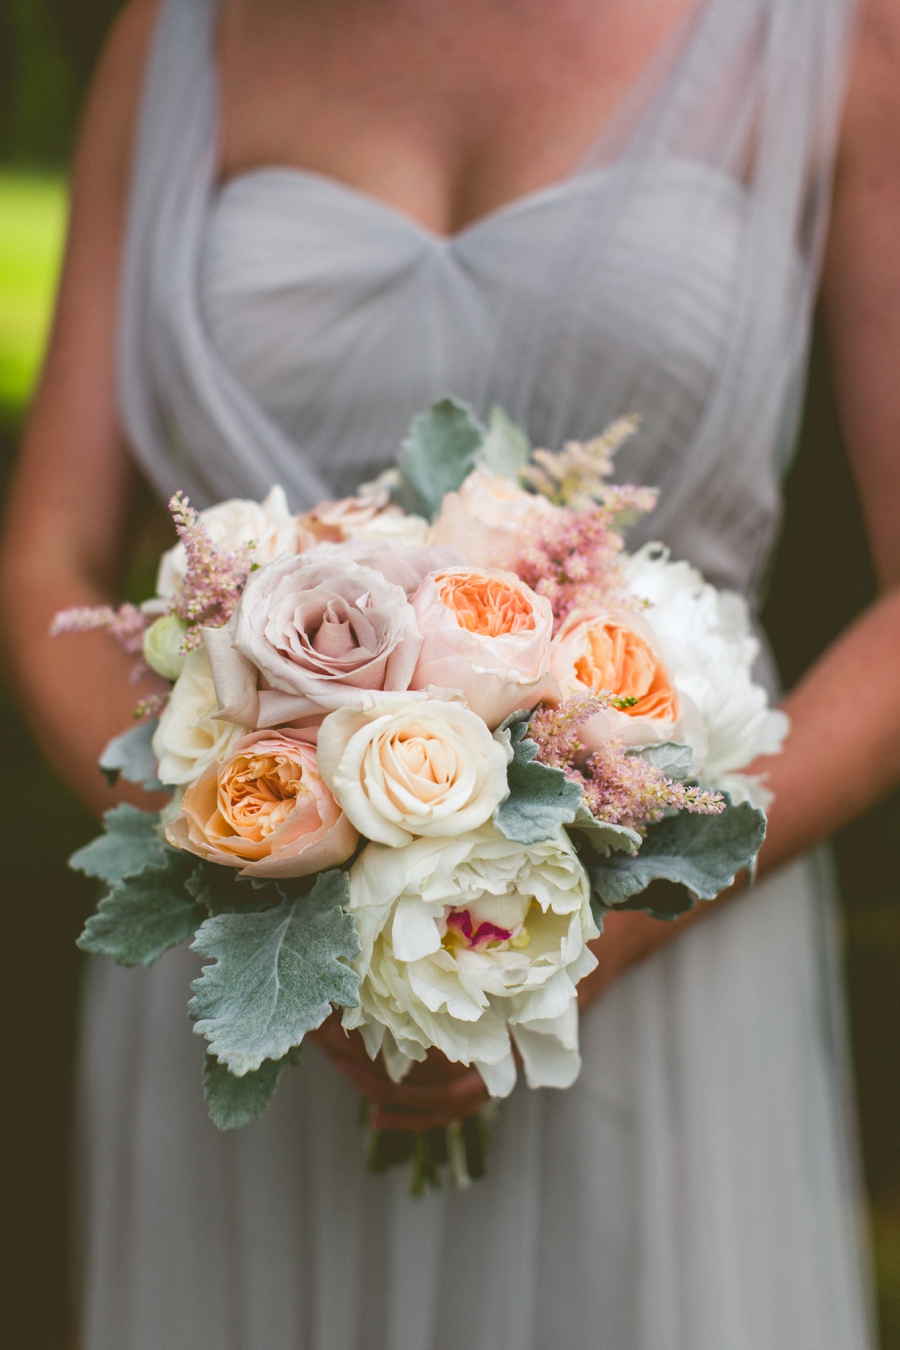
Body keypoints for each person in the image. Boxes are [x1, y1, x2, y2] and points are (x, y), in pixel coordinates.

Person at [1, 0, 898, 1344]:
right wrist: (245, 861)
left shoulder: (835, 34)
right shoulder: (180, 38)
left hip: (658, 960)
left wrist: (597, 933)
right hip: (250, 975)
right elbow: (47, 563)